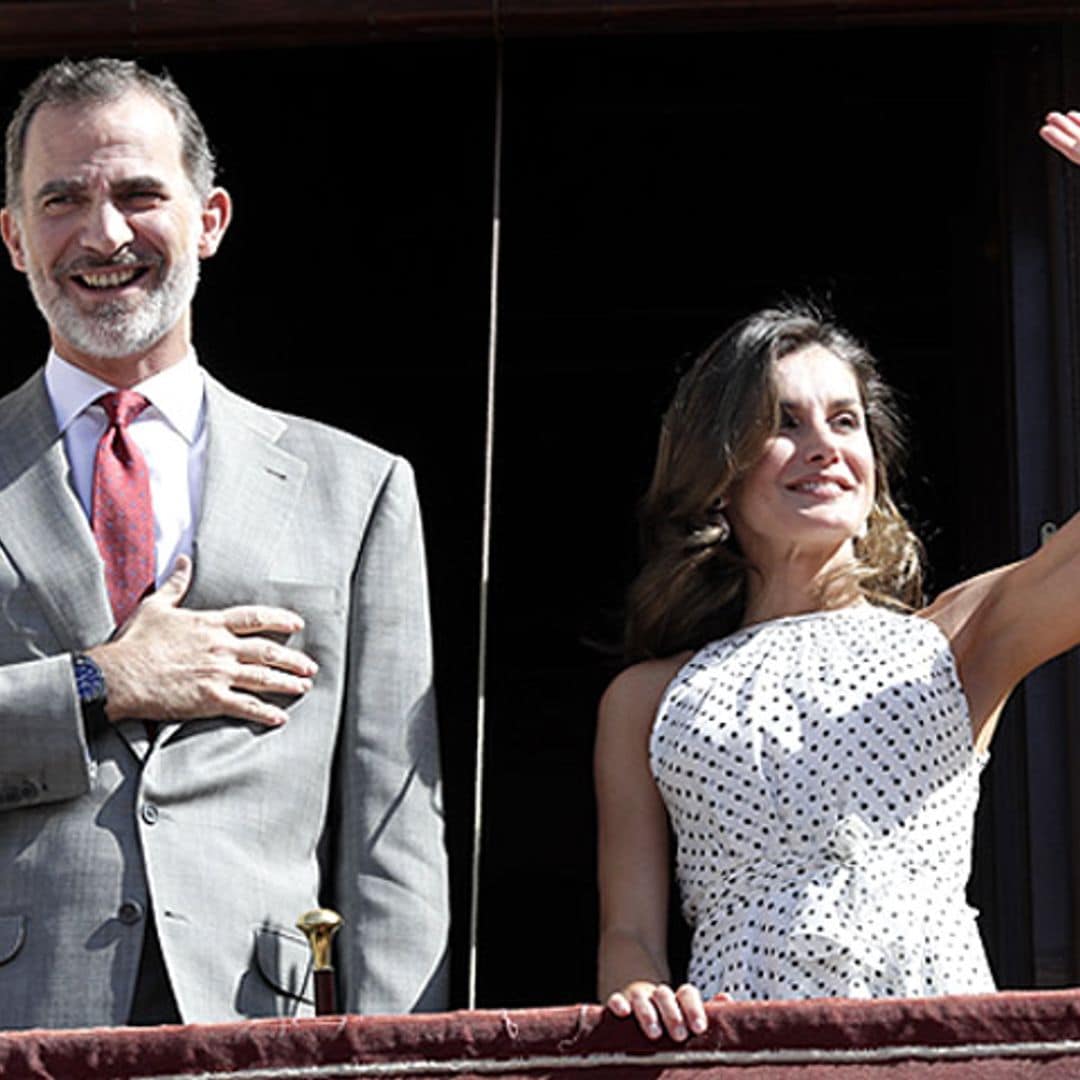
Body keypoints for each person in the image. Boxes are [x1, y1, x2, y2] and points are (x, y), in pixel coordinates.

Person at [0, 57, 449, 1029]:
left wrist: (404, 1058)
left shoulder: (358, 488)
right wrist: (98, 684)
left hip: (258, 1023)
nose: (104, 232)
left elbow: (391, 834)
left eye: (138, 194)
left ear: (210, 219)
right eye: (63, 198)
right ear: (14, 236)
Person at [595, 297, 1079, 1039]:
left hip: (935, 1037)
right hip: (749, 1047)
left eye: (844, 421)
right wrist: (641, 994)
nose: (822, 446)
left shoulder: (951, 642)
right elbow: (630, 935)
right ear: (719, 469)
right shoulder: (649, 697)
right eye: (783, 423)